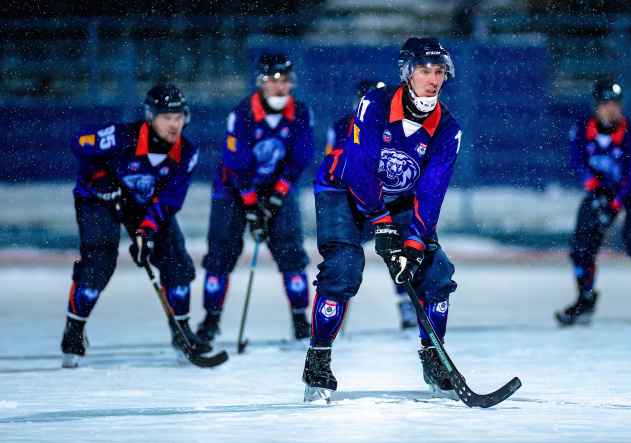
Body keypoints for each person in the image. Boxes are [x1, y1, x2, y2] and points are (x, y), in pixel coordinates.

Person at [302, 37, 461, 402]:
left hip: (398, 199)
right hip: (341, 189)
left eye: (439, 72)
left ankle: (433, 357)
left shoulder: (447, 128)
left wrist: (416, 243)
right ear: (407, 73)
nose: (432, 80)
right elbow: (360, 170)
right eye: (424, 71)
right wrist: (384, 225)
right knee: (343, 269)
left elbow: (431, 192)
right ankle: (318, 359)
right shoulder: (374, 104)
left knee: (436, 273)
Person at [61, 84, 207, 368]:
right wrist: (102, 179)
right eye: (167, 116)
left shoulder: (187, 152)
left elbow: (169, 199)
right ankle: (73, 332)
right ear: (151, 116)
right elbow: (80, 141)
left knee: (175, 259)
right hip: (98, 201)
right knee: (99, 261)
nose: (174, 124)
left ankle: (182, 333)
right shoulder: (121, 137)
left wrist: (145, 231)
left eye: (179, 116)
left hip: (144, 206)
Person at [198, 52, 315, 345]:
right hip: (233, 189)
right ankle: (211, 321)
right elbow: (235, 164)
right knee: (221, 253)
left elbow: (300, 159)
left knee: (291, 252)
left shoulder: (300, 113)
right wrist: (251, 205)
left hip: (277, 186)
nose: (281, 87)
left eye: (286, 80)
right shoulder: (243, 114)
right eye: (274, 80)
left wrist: (277, 196)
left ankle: (301, 322)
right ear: (261, 82)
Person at [556, 79, 631, 327]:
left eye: (616, 104)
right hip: (605, 188)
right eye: (606, 104)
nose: (612, 109)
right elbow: (578, 162)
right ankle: (585, 299)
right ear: (597, 106)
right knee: (582, 244)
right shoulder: (583, 131)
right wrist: (595, 191)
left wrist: (615, 204)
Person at [325, 78, 418, 332]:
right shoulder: (343, 126)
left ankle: (408, 304)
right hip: (355, 202)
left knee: (401, 252)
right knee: (345, 256)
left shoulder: (401, 126)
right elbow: (336, 164)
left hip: (389, 202)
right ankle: (335, 307)